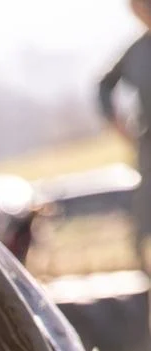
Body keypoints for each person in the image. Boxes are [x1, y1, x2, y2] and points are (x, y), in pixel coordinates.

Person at [99, 2, 151, 264]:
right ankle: (143, 265)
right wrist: (114, 119)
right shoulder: (138, 50)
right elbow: (104, 85)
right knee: (145, 203)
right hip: (148, 140)